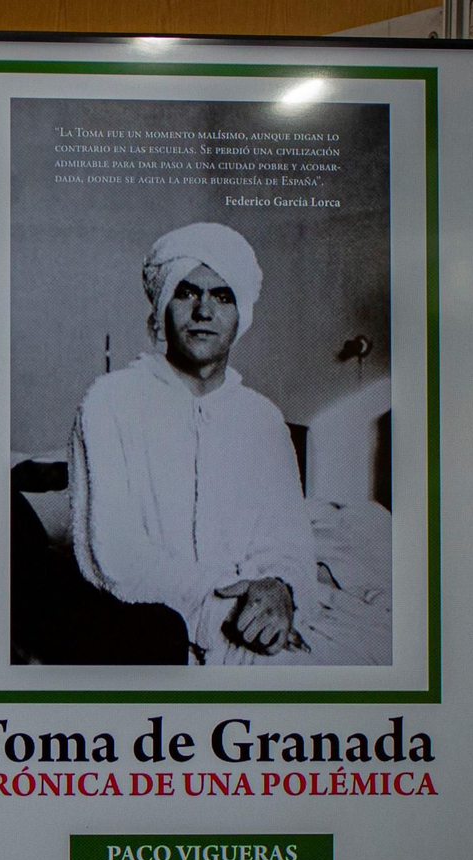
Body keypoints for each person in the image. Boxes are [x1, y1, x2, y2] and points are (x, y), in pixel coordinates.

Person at [70, 222, 317, 665]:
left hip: (256, 628)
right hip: (147, 631)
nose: (204, 310)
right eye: (187, 293)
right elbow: (115, 557)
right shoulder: (109, 402)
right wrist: (217, 608)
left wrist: (280, 588)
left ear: (241, 314)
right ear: (163, 306)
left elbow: (289, 542)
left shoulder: (263, 419)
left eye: (222, 296)